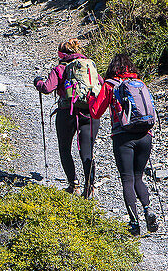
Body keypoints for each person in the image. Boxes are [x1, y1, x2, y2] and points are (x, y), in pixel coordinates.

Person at [89, 53, 159, 235]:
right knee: (138, 177)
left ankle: (134, 224)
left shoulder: (110, 85)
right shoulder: (140, 83)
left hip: (123, 136)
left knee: (127, 179)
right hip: (145, 135)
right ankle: (148, 209)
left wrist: (90, 99)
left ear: (113, 68)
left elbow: (96, 112)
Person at [34, 39, 102, 198]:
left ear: (61, 54)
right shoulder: (89, 67)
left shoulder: (60, 68)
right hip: (89, 113)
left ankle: (74, 185)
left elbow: (47, 88)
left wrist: (37, 82)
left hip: (67, 112)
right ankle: (90, 187)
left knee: (65, 149)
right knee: (87, 151)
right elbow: (101, 85)